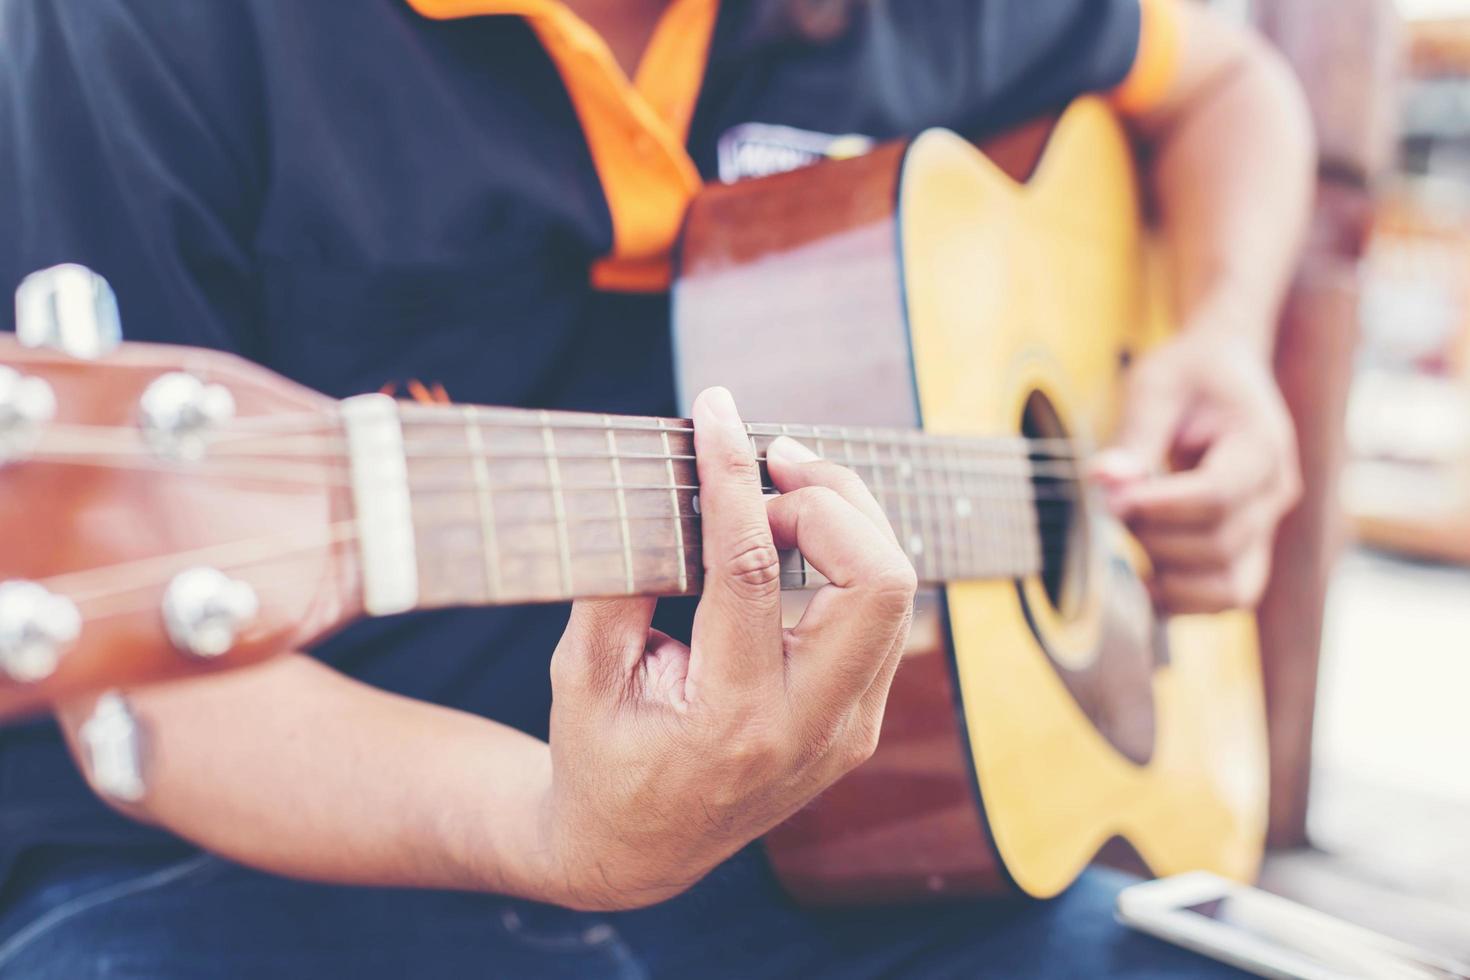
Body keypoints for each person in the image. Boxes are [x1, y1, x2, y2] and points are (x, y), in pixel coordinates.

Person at [0, 0, 1313, 976]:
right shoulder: (136, 31)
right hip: (235, 871)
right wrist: (558, 831)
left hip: (850, 857)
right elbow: (165, 698)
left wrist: (1219, 341)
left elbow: (1229, 85)